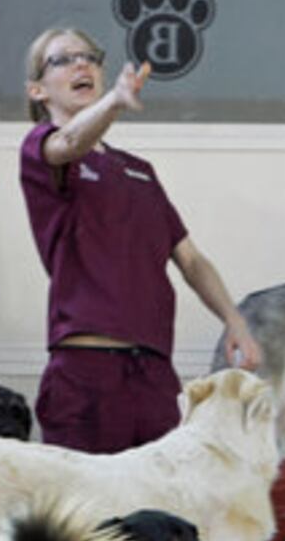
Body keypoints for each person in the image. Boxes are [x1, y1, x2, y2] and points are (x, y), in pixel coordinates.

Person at [20, 26, 261, 452]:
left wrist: (234, 320)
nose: (81, 64)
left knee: (165, 494)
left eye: (90, 57)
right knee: (87, 498)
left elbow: (190, 260)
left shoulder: (139, 171)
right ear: (38, 90)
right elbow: (70, 141)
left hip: (153, 372)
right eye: (63, 59)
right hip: (87, 370)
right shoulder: (41, 148)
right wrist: (115, 100)